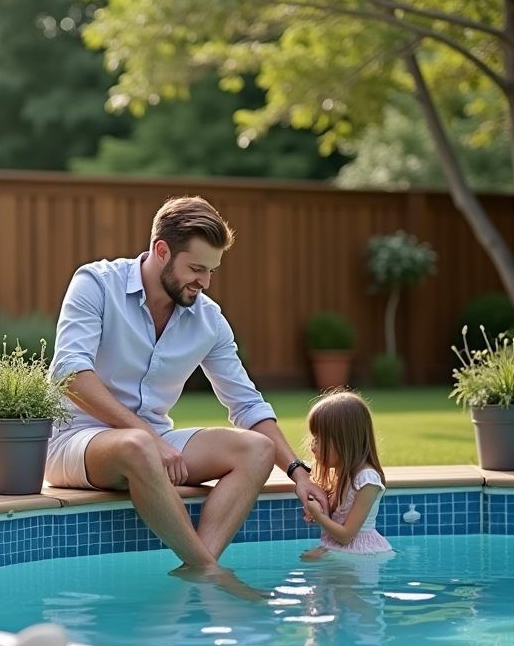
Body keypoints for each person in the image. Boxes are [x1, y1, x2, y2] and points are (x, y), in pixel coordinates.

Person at [48, 195, 327, 574]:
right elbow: (70, 375)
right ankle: (210, 571)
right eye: (196, 268)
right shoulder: (96, 284)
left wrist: (298, 473)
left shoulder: (209, 320)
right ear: (162, 251)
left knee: (257, 450)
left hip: (156, 445)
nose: (205, 282)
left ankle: (198, 570)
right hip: (76, 443)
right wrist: (151, 439)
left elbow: (247, 403)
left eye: (211, 271)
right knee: (138, 445)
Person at [300, 390, 393, 560]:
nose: (313, 446)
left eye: (319, 440)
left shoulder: (367, 481)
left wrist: (319, 516)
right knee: (307, 559)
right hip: (339, 548)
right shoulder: (341, 474)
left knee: (309, 560)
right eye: (314, 438)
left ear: (343, 440)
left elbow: (346, 536)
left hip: (360, 557)